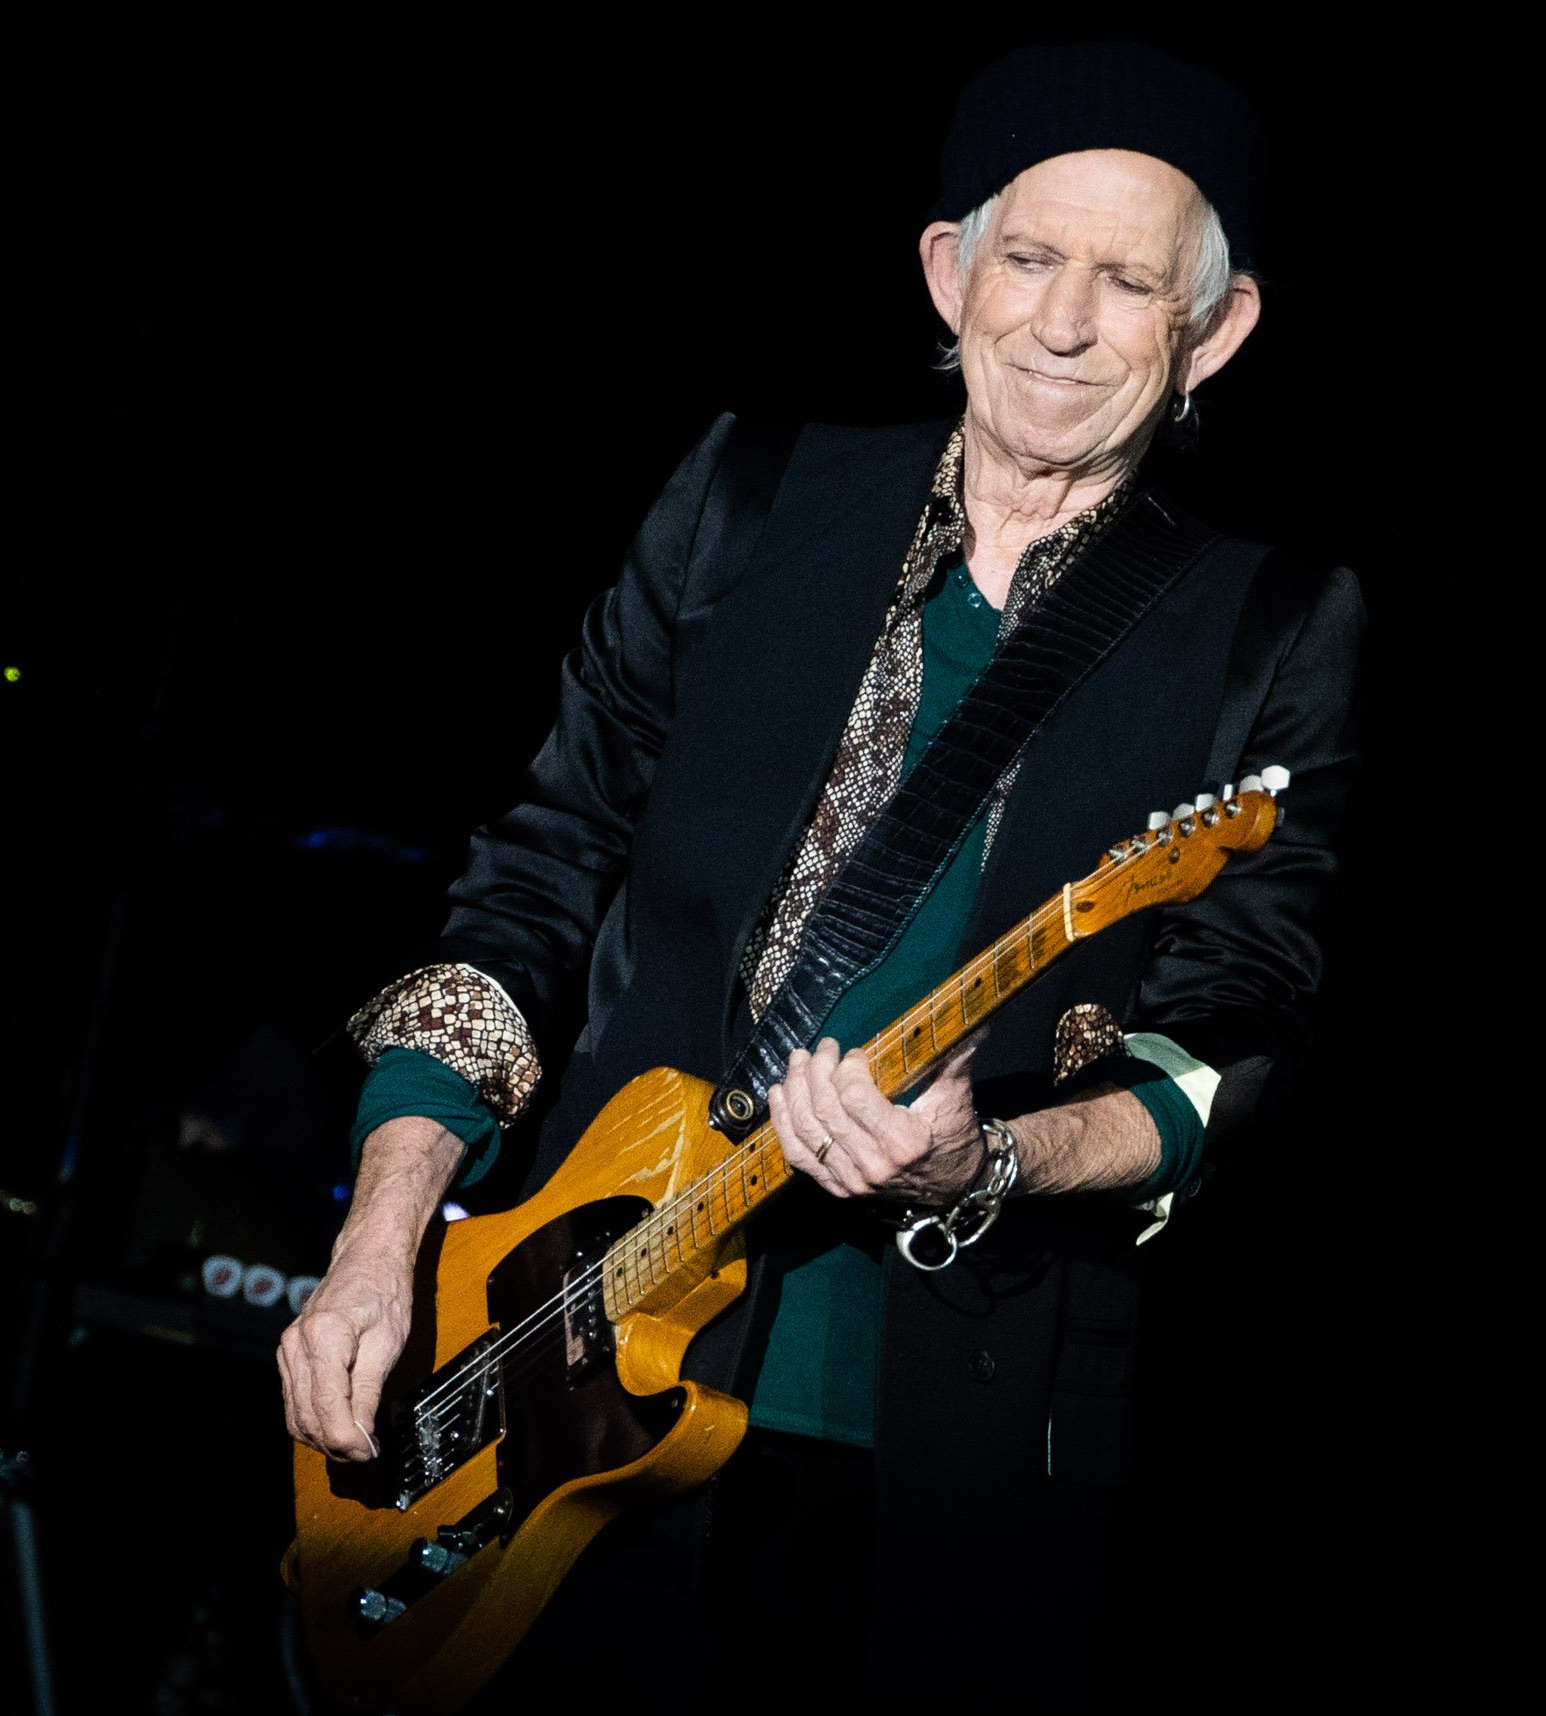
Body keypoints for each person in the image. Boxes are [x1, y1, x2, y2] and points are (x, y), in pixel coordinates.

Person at [278, 40, 1362, 1699]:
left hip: (932, 1453)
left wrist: (988, 1159)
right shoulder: (745, 494)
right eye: (1028, 259)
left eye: (1130, 283)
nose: (1064, 325)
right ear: (948, 273)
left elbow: (1226, 1046)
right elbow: (537, 871)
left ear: (1212, 331)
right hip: (551, 1374)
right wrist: (382, 1236)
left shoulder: (1271, 625)